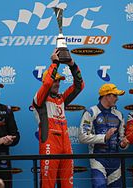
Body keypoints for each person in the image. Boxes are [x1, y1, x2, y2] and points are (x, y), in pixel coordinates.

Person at [32, 48, 84, 188]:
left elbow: (79, 86)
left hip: (66, 143)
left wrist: (72, 65)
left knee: (67, 184)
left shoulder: (61, 98)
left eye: (59, 81)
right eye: (55, 80)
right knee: (48, 184)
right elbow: (47, 84)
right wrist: (55, 63)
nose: (57, 83)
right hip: (50, 143)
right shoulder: (39, 99)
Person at [79, 83, 129, 188]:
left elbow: (121, 140)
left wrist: (123, 144)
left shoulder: (119, 115)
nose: (117, 99)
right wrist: (104, 138)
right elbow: (82, 137)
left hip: (115, 160)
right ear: (106, 96)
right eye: (115, 95)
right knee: (99, 186)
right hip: (98, 158)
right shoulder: (91, 112)